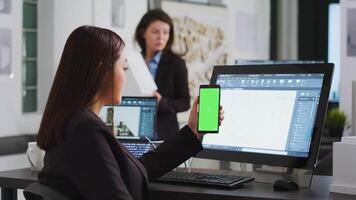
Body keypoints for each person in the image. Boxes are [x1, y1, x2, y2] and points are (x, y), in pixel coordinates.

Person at [36, 26, 223, 200]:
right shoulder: (85, 130)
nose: (125, 77)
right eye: (124, 68)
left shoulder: (73, 122)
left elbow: (137, 170)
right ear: (101, 71)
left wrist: (192, 131)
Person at [135, 9, 190, 140]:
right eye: (155, 32)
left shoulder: (176, 63)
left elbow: (185, 102)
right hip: (135, 129)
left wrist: (162, 103)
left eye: (166, 32)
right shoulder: (134, 60)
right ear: (143, 33)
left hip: (163, 134)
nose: (161, 37)